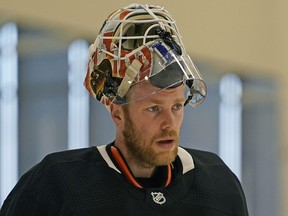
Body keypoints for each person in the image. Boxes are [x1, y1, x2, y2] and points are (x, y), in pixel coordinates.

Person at [0, 3, 249, 216]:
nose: (169, 123)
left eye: (176, 106)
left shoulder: (218, 184)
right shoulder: (56, 184)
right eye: (153, 108)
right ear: (117, 113)